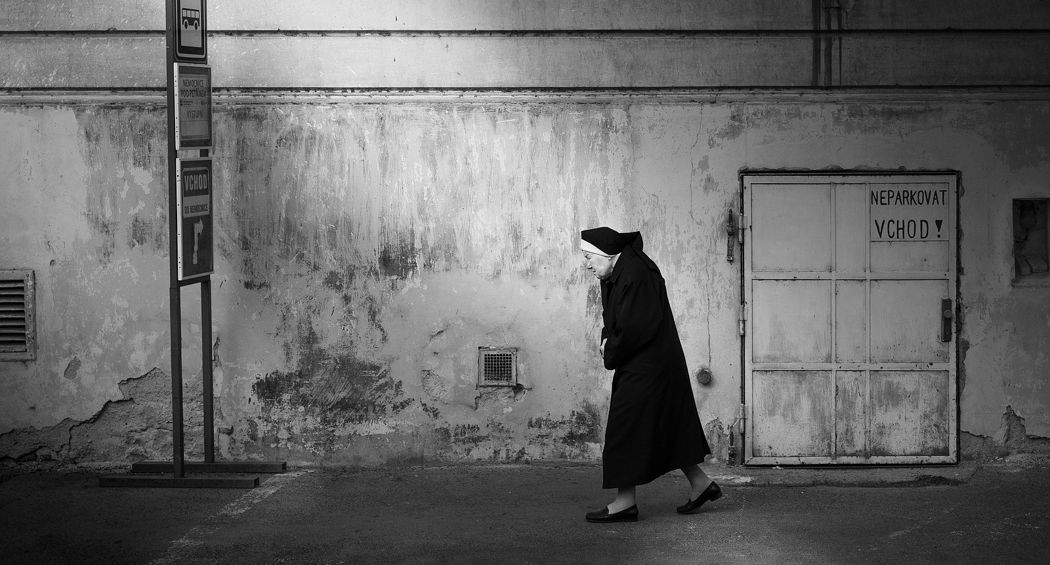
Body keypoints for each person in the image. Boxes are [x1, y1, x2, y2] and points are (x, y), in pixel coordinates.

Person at [580, 226, 721, 523]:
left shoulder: (636, 274)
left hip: (649, 365)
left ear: (607, 254)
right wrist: (608, 340)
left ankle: (624, 503)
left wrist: (610, 349)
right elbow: (613, 318)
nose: (587, 264)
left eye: (589, 257)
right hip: (649, 363)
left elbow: (635, 328)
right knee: (666, 425)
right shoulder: (617, 272)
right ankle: (701, 484)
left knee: (624, 428)